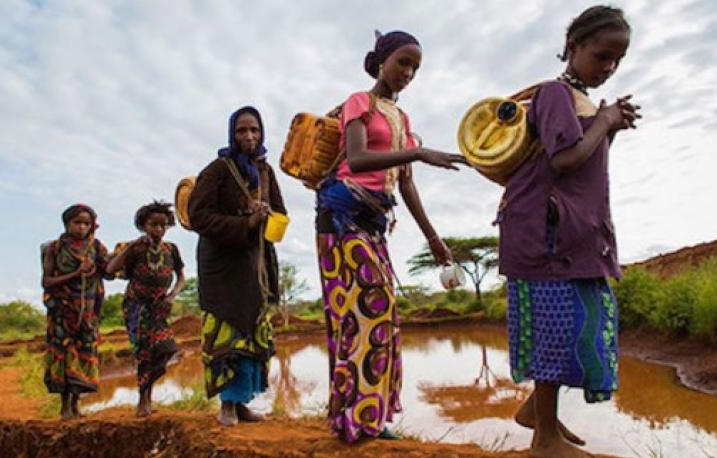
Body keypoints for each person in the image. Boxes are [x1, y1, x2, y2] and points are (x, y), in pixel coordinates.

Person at [497, 6, 641, 457]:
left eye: (617, 59)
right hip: (544, 236)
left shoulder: (581, 102)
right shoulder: (553, 93)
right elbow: (563, 161)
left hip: (573, 236)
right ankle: (544, 441)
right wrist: (605, 121)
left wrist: (608, 124)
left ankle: (536, 414)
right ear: (574, 47)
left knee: (580, 324)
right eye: (602, 55)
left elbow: (584, 162)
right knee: (555, 328)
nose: (609, 67)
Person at [316, 30, 467, 443]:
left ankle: (371, 416)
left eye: (415, 66)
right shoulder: (358, 102)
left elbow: (406, 185)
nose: (409, 72)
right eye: (403, 61)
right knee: (366, 307)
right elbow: (360, 157)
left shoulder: (402, 119)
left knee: (384, 316)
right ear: (382, 60)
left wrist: (433, 238)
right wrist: (419, 151)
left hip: (375, 222)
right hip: (341, 216)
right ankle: (352, 418)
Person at [188, 106, 287, 426]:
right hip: (222, 266)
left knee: (252, 334)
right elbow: (199, 216)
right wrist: (244, 222)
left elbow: (279, 211)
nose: (249, 136)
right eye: (242, 130)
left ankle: (242, 402)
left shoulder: (266, 171)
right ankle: (226, 406)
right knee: (227, 335)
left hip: (254, 263)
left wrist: (267, 216)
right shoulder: (218, 169)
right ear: (232, 133)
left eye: (254, 130)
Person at [106, 200, 185, 417]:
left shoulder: (171, 250)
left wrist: (172, 296)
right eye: (153, 225)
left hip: (159, 308)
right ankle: (143, 402)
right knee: (144, 354)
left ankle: (147, 396)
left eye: (163, 225)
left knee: (166, 349)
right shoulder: (136, 248)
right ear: (143, 225)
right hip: (136, 307)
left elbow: (181, 277)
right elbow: (111, 269)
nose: (159, 230)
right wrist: (130, 247)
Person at [42, 204, 112, 419]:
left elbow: (107, 273)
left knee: (84, 355)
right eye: (77, 222)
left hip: (88, 313)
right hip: (62, 311)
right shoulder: (53, 248)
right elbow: (47, 281)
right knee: (64, 355)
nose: (82, 227)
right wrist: (75, 273)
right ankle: (64, 407)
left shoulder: (96, 247)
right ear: (67, 224)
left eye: (86, 223)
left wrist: (118, 258)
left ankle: (76, 404)